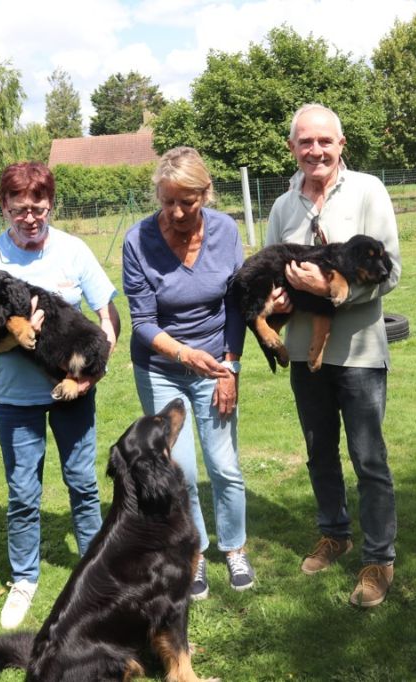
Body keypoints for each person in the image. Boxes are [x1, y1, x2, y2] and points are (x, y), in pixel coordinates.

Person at [0, 161, 121, 629]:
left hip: (72, 395)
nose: (31, 218)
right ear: (4, 207)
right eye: (21, 209)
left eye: (39, 208)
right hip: (14, 397)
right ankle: (24, 580)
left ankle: (98, 570)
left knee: (83, 483)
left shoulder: (73, 251)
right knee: (22, 493)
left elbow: (108, 314)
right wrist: (19, 337)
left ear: (51, 205)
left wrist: (92, 374)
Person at [265, 103, 402, 608]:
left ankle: (378, 558)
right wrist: (276, 301)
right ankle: (335, 534)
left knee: (368, 457)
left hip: (360, 352)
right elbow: (272, 270)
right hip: (305, 353)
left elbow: (390, 270)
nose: (315, 150)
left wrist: (334, 290)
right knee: (319, 451)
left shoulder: (368, 191)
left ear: (341, 144)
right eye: (305, 142)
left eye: (325, 141)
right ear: (293, 149)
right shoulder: (283, 207)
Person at [121, 146, 253, 600]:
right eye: (167, 202)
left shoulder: (225, 230)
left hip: (216, 363)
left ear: (206, 194)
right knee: (182, 470)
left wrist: (229, 365)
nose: (176, 212)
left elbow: (237, 302)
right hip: (161, 367)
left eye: (187, 202)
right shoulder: (138, 242)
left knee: (224, 465)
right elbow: (142, 323)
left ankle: (234, 547)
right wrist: (183, 356)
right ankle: (192, 555)